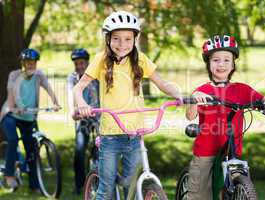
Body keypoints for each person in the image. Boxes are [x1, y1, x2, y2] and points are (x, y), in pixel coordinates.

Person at [73, 10, 182, 200]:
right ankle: (105, 175)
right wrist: (82, 104)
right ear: (107, 39)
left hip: (136, 134)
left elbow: (162, 83)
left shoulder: (141, 60)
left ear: (135, 39)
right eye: (116, 38)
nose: (122, 44)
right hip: (110, 135)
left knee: (129, 185)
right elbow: (78, 88)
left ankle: (111, 174)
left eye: (127, 39)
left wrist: (178, 95)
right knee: (106, 190)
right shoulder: (100, 60)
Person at [185, 34, 265, 200]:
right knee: (199, 194)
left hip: (232, 151)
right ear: (208, 63)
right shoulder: (202, 91)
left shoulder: (242, 90)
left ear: (233, 64)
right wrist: (194, 100)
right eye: (216, 60)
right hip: (206, 152)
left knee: (238, 190)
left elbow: (263, 101)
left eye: (226, 60)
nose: (221, 64)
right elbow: (190, 116)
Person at [0, 48, 60, 192]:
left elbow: (48, 88)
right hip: (10, 115)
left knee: (32, 150)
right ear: (23, 63)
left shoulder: (39, 75)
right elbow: (10, 99)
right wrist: (17, 108)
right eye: (27, 62)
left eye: (33, 62)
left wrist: (55, 102)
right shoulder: (14, 76)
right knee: (13, 140)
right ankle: (9, 175)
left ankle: (35, 185)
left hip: (28, 117)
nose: (30, 65)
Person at [67, 48, 100, 194]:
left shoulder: (96, 76)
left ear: (87, 62)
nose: (80, 66)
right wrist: (72, 111)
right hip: (82, 118)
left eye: (82, 63)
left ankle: (101, 183)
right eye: (77, 64)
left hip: (99, 117)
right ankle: (79, 184)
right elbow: (70, 95)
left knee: (103, 149)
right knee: (79, 150)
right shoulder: (72, 78)